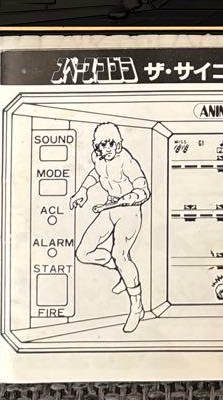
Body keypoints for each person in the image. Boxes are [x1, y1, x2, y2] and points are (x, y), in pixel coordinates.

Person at [71, 123, 151, 332]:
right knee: (83, 252)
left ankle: (137, 307)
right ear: (96, 146)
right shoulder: (97, 158)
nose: (106, 149)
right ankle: (121, 272)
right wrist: (83, 190)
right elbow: (96, 173)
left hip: (129, 211)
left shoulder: (127, 161)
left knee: (120, 255)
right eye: (102, 145)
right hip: (109, 207)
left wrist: (131, 197)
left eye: (111, 145)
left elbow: (144, 190)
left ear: (118, 144)